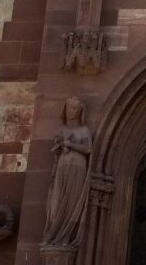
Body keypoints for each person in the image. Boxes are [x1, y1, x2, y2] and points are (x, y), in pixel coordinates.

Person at [42, 99, 95, 251]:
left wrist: (70, 145)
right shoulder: (61, 130)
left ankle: (65, 236)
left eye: (75, 108)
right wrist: (60, 147)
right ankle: (54, 235)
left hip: (78, 166)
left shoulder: (84, 130)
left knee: (72, 200)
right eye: (70, 108)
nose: (72, 111)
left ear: (80, 111)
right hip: (63, 165)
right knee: (57, 201)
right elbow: (56, 152)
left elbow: (88, 149)